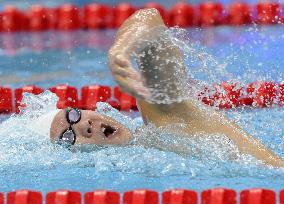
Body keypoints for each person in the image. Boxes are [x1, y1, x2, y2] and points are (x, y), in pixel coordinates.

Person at [49, 8, 284, 167]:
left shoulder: (163, 117)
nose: (83, 126)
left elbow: (149, 18)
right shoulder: (149, 153)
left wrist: (119, 51)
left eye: (73, 114)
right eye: (68, 136)